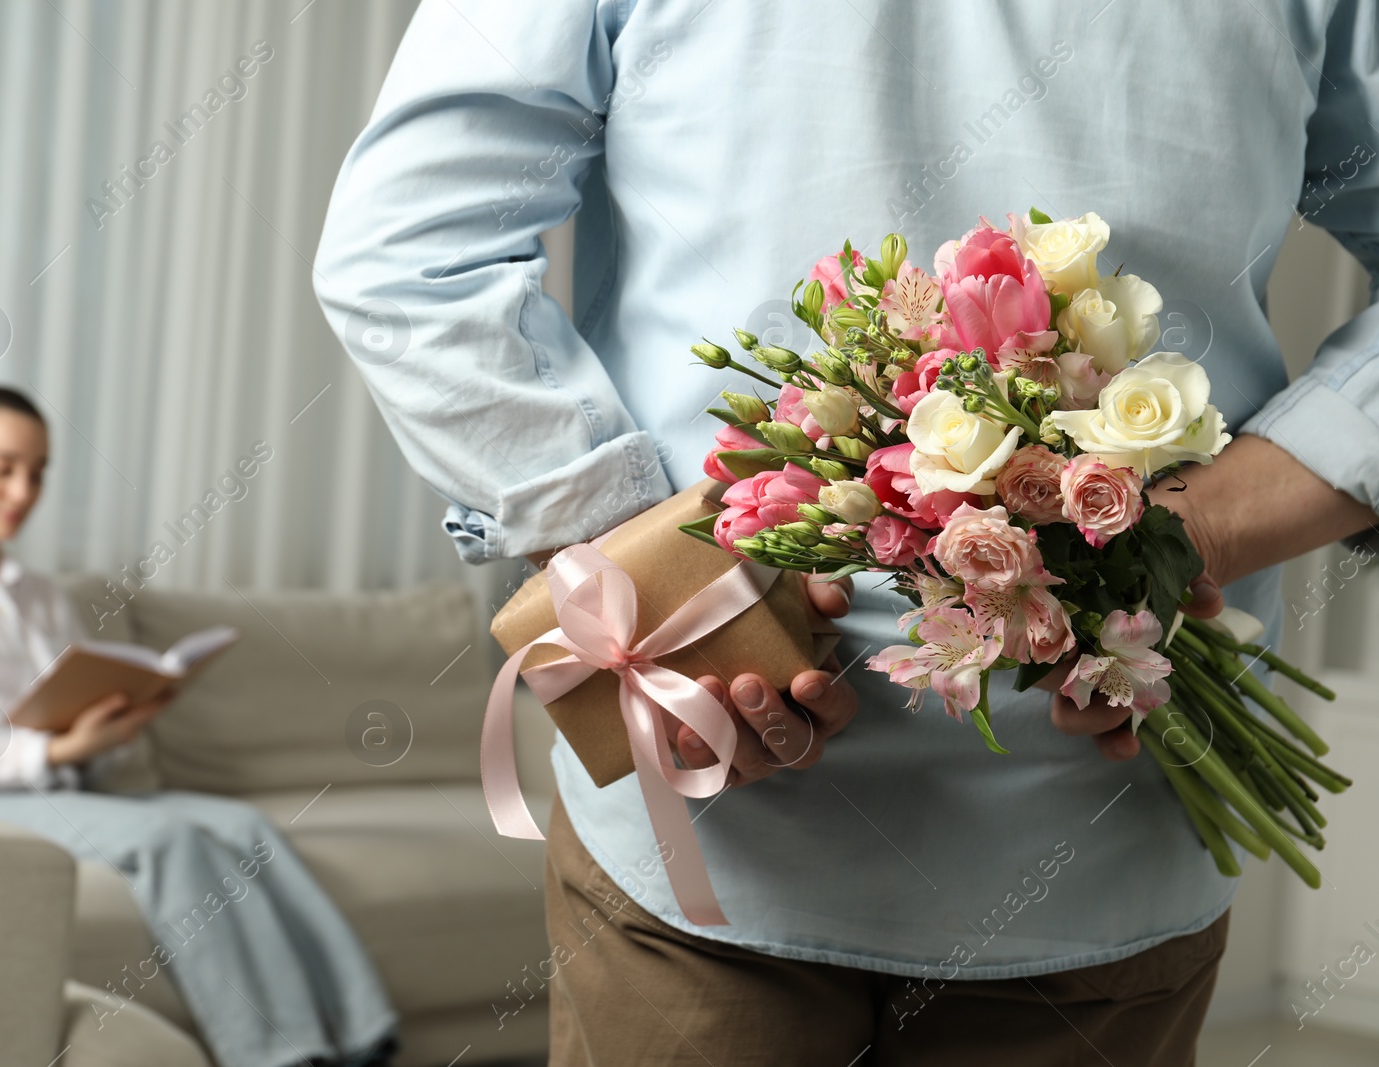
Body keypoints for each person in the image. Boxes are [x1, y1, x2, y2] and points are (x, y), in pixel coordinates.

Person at [312, 2, 1379, 1064]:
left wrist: (1194, 527)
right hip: (731, 824)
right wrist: (642, 575)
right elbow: (408, 251)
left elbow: (405, 250)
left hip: (1087, 810)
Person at [0, 386, 398, 1067]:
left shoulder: (40, 592)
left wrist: (113, 725)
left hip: (60, 783)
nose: (24, 488)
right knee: (168, 839)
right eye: (4, 466)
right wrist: (58, 748)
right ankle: (279, 1053)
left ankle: (365, 1036)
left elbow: (77, 696)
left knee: (244, 827)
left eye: (39, 471)